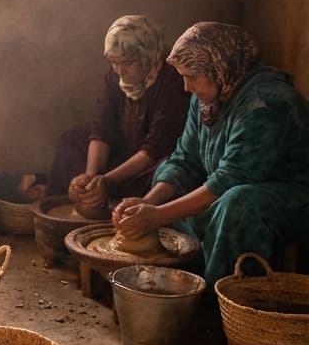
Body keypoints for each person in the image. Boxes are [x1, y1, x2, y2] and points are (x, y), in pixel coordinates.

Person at [113, 22, 309, 285]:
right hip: (227, 188)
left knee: (237, 203)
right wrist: (148, 203)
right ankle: (182, 274)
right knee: (166, 171)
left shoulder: (267, 103)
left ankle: (221, 298)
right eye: (183, 76)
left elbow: (231, 179)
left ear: (219, 67)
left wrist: (157, 216)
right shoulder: (209, 96)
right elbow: (186, 158)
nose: (186, 87)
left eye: (192, 76)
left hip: (291, 198)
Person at [49, 15, 189, 215]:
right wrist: (90, 178)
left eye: (127, 63)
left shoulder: (172, 80)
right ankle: (90, 198)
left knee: (166, 171)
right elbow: (103, 128)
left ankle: (120, 206)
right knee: (71, 141)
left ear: (146, 55)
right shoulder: (114, 76)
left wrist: (106, 181)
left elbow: (154, 149)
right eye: (114, 63)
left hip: (148, 163)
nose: (119, 70)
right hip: (121, 152)